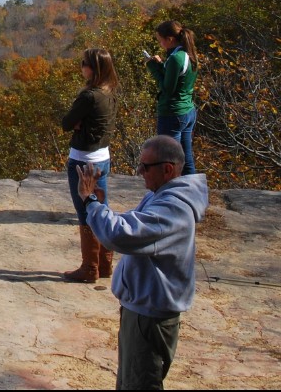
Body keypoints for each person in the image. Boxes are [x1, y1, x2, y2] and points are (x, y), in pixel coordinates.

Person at [79, 135, 208, 390]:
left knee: (141, 383)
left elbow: (121, 235)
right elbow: (132, 224)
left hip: (150, 319)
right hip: (139, 311)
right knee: (129, 383)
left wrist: (91, 202)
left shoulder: (174, 209)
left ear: (168, 169)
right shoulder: (161, 195)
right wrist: (102, 207)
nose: (139, 172)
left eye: (145, 167)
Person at [60, 47, 119, 284]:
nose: (81, 66)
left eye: (84, 63)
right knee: (101, 209)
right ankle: (104, 264)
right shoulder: (110, 93)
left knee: (86, 213)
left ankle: (89, 268)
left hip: (83, 161)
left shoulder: (89, 96)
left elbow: (66, 123)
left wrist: (77, 125)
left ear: (93, 68)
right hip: (102, 158)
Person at [146, 20, 198, 175]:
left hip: (172, 113)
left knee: (169, 159)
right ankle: (193, 195)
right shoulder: (188, 54)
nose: (160, 43)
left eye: (160, 40)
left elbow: (168, 89)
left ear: (169, 39)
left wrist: (153, 67)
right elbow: (178, 80)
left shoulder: (176, 58)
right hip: (187, 111)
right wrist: (162, 64)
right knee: (186, 160)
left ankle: (171, 195)